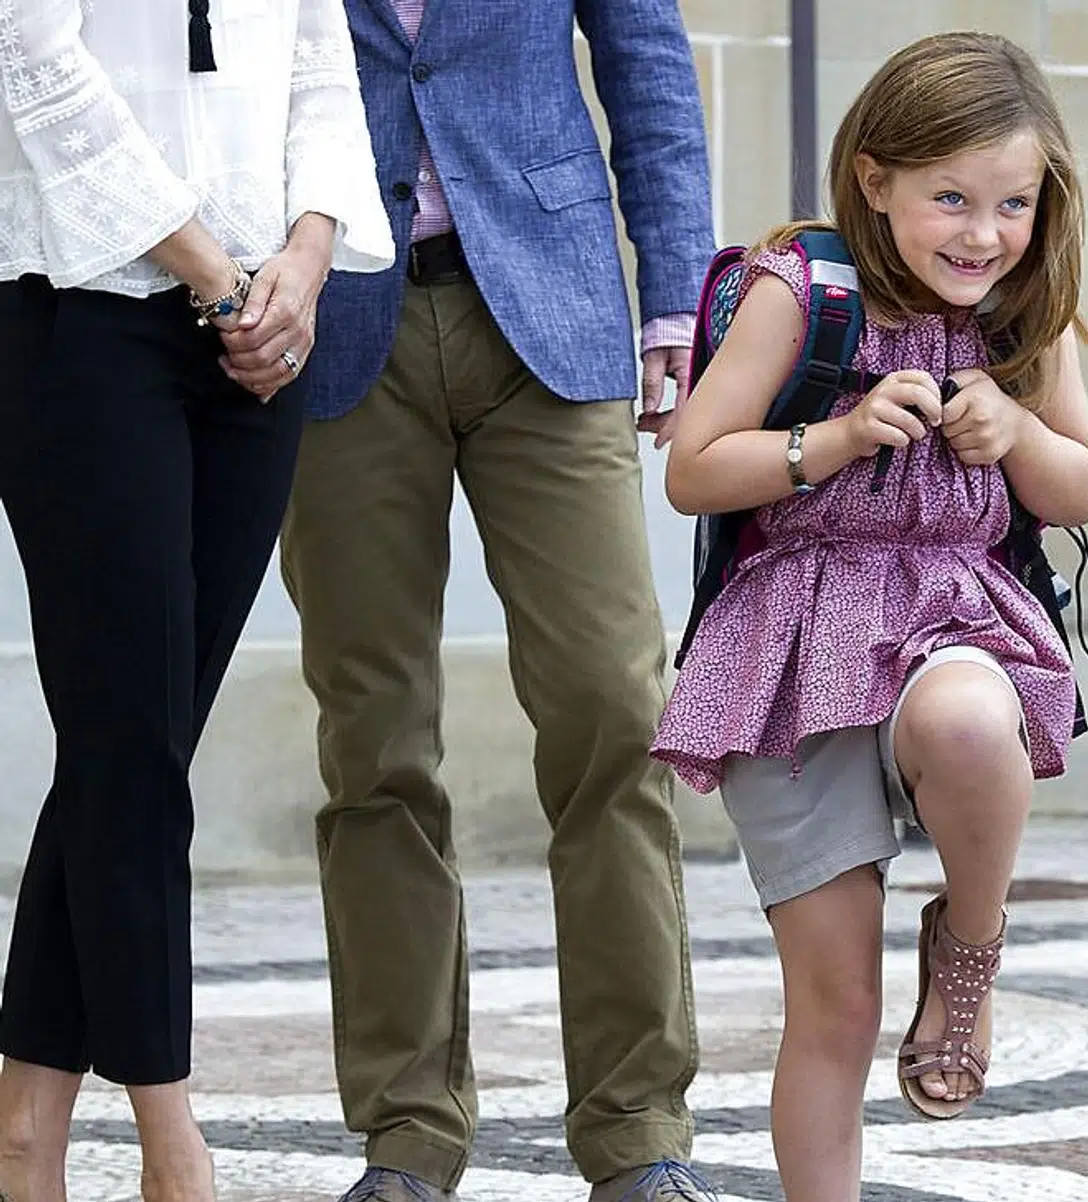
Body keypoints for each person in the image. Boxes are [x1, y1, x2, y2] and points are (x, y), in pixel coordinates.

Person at [651, 30, 1088, 1202]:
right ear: (876, 180)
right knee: (837, 1000)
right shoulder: (801, 291)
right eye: (949, 197)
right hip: (788, 650)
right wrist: (839, 439)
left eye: (1011, 202)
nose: (981, 232)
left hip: (953, 609)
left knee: (966, 723)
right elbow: (695, 469)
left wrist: (1019, 432)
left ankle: (970, 942)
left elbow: (1085, 487)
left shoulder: (1023, 311)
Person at [280, 2, 715, 1199]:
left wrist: (677, 293)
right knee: (372, 742)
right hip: (334, 316)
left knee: (617, 715)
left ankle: (638, 1131)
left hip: (551, 303)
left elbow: (647, 61)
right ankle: (407, 1135)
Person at [0, 2, 393, 1200]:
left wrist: (306, 262)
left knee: (138, 733)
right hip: (81, 309)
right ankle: (174, 1141)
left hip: (264, 330)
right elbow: (30, 51)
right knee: (130, 741)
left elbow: (323, 67)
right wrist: (216, 272)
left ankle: (23, 1123)